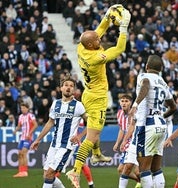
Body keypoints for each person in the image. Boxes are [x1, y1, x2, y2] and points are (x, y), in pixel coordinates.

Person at [66, 4, 131, 188]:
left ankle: (96, 155)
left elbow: (99, 30)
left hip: (87, 93)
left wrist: (108, 17)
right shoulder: (96, 58)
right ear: (92, 44)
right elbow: (119, 49)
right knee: (92, 136)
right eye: (97, 40)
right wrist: (123, 28)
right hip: (97, 98)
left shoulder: (82, 47)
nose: (99, 39)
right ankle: (76, 170)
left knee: (94, 129)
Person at [123, 54, 177, 188]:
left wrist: (135, 104)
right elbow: (173, 107)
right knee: (156, 168)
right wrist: (160, 116)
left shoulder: (143, 76)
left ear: (147, 66)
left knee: (144, 168)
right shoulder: (164, 83)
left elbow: (146, 85)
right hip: (161, 125)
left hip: (147, 125)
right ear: (160, 69)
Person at [30, 75, 88, 188]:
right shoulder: (56, 104)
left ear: (74, 90)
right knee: (46, 175)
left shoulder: (78, 106)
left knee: (51, 173)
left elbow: (91, 123)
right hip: (54, 144)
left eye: (71, 86)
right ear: (61, 88)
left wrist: (80, 135)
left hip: (67, 146)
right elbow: (50, 123)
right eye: (66, 85)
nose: (68, 88)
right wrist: (38, 139)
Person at [112, 94, 141, 188]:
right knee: (121, 170)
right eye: (122, 101)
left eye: (126, 101)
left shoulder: (135, 113)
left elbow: (131, 129)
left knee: (136, 171)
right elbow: (122, 129)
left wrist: (124, 141)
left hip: (136, 142)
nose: (124, 103)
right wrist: (117, 143)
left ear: (131, 103)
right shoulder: (119, 113)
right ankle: (141, 181)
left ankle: (148, 182)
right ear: (119, 103)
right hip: (127, 143)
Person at [13, 102, 38, 177]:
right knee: (20, 154)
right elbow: (19, 126)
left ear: (27, 108)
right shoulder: (20, 116)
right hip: (22, 138)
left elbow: (35, 125)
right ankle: (21, 171)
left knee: (24, 153)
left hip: (28, 138)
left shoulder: (31, 115)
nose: (22, 109)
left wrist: (30, 133)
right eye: (21, 108)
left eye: (24, 108)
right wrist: (15, 130)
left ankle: (25, 172)